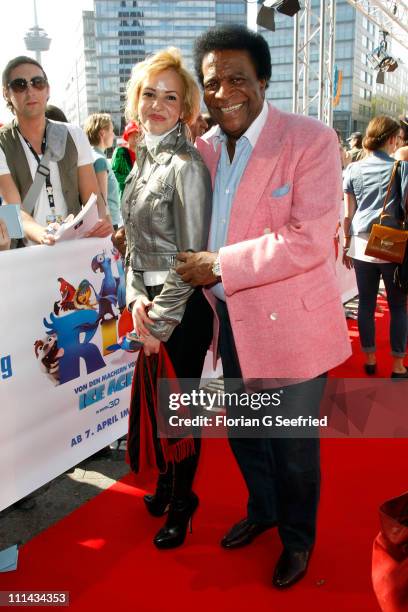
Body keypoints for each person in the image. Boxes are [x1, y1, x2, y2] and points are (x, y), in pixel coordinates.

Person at [175, 24, 351, 588]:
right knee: (245, 434)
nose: (224, 92)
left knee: (292, 446)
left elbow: (306, 238)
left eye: (236, 79)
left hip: (292, 327)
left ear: (263, 80)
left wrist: (220, 263)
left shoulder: (310, 140)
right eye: (212, 83)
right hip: (230, 323)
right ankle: (265, 510)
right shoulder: (200, 151)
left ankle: (298, 541)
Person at [123, 47, 213, 549]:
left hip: (181, 307)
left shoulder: (187, 165)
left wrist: (159, 320)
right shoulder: (140, 161)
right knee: (160, 408)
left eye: (170, 97)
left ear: (185, 108)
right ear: (137, 100)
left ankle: (183, 504)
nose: (157, 104)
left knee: (179, 411)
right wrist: (136, 298)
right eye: (149, 94)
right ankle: (166, 484)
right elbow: (134, 245)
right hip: (148, 302)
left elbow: (191, 257)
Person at [0, 55, 112, 246]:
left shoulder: (74, 134)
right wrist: (43, 235)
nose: (30, 91)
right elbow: (12, 209)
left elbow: (92, 197)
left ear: (48, 89)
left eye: (38, 83)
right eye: (20, 85)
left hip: (74, 246)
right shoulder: (3, 142)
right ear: (6, 93)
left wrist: (102, 220)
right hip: (27, 253)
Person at [342, 115, 408, 378]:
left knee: (366, 303)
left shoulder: (353, 169)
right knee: (399, 305)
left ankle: (369, 359)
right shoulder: (401, 168)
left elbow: (348, 213)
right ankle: (397, 365)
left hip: (359, 242)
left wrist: (346, 245)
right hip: (389, 241)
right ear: (392, 139)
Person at [84, 112, 122, 230]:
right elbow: (102, 202)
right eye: (111, 130)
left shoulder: (88, 156)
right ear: (102, 133)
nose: (114, 135)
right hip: (109, 225)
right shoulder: (100, 160)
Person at [111, 120, 139, 197]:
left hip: (138, 194)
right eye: (132, 135)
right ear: (127, 136)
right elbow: (113, 173)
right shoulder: (120, 151)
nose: (135, 138)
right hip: (124, 193)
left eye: (137, 135)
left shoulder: (141, 152)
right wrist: (130, 179)